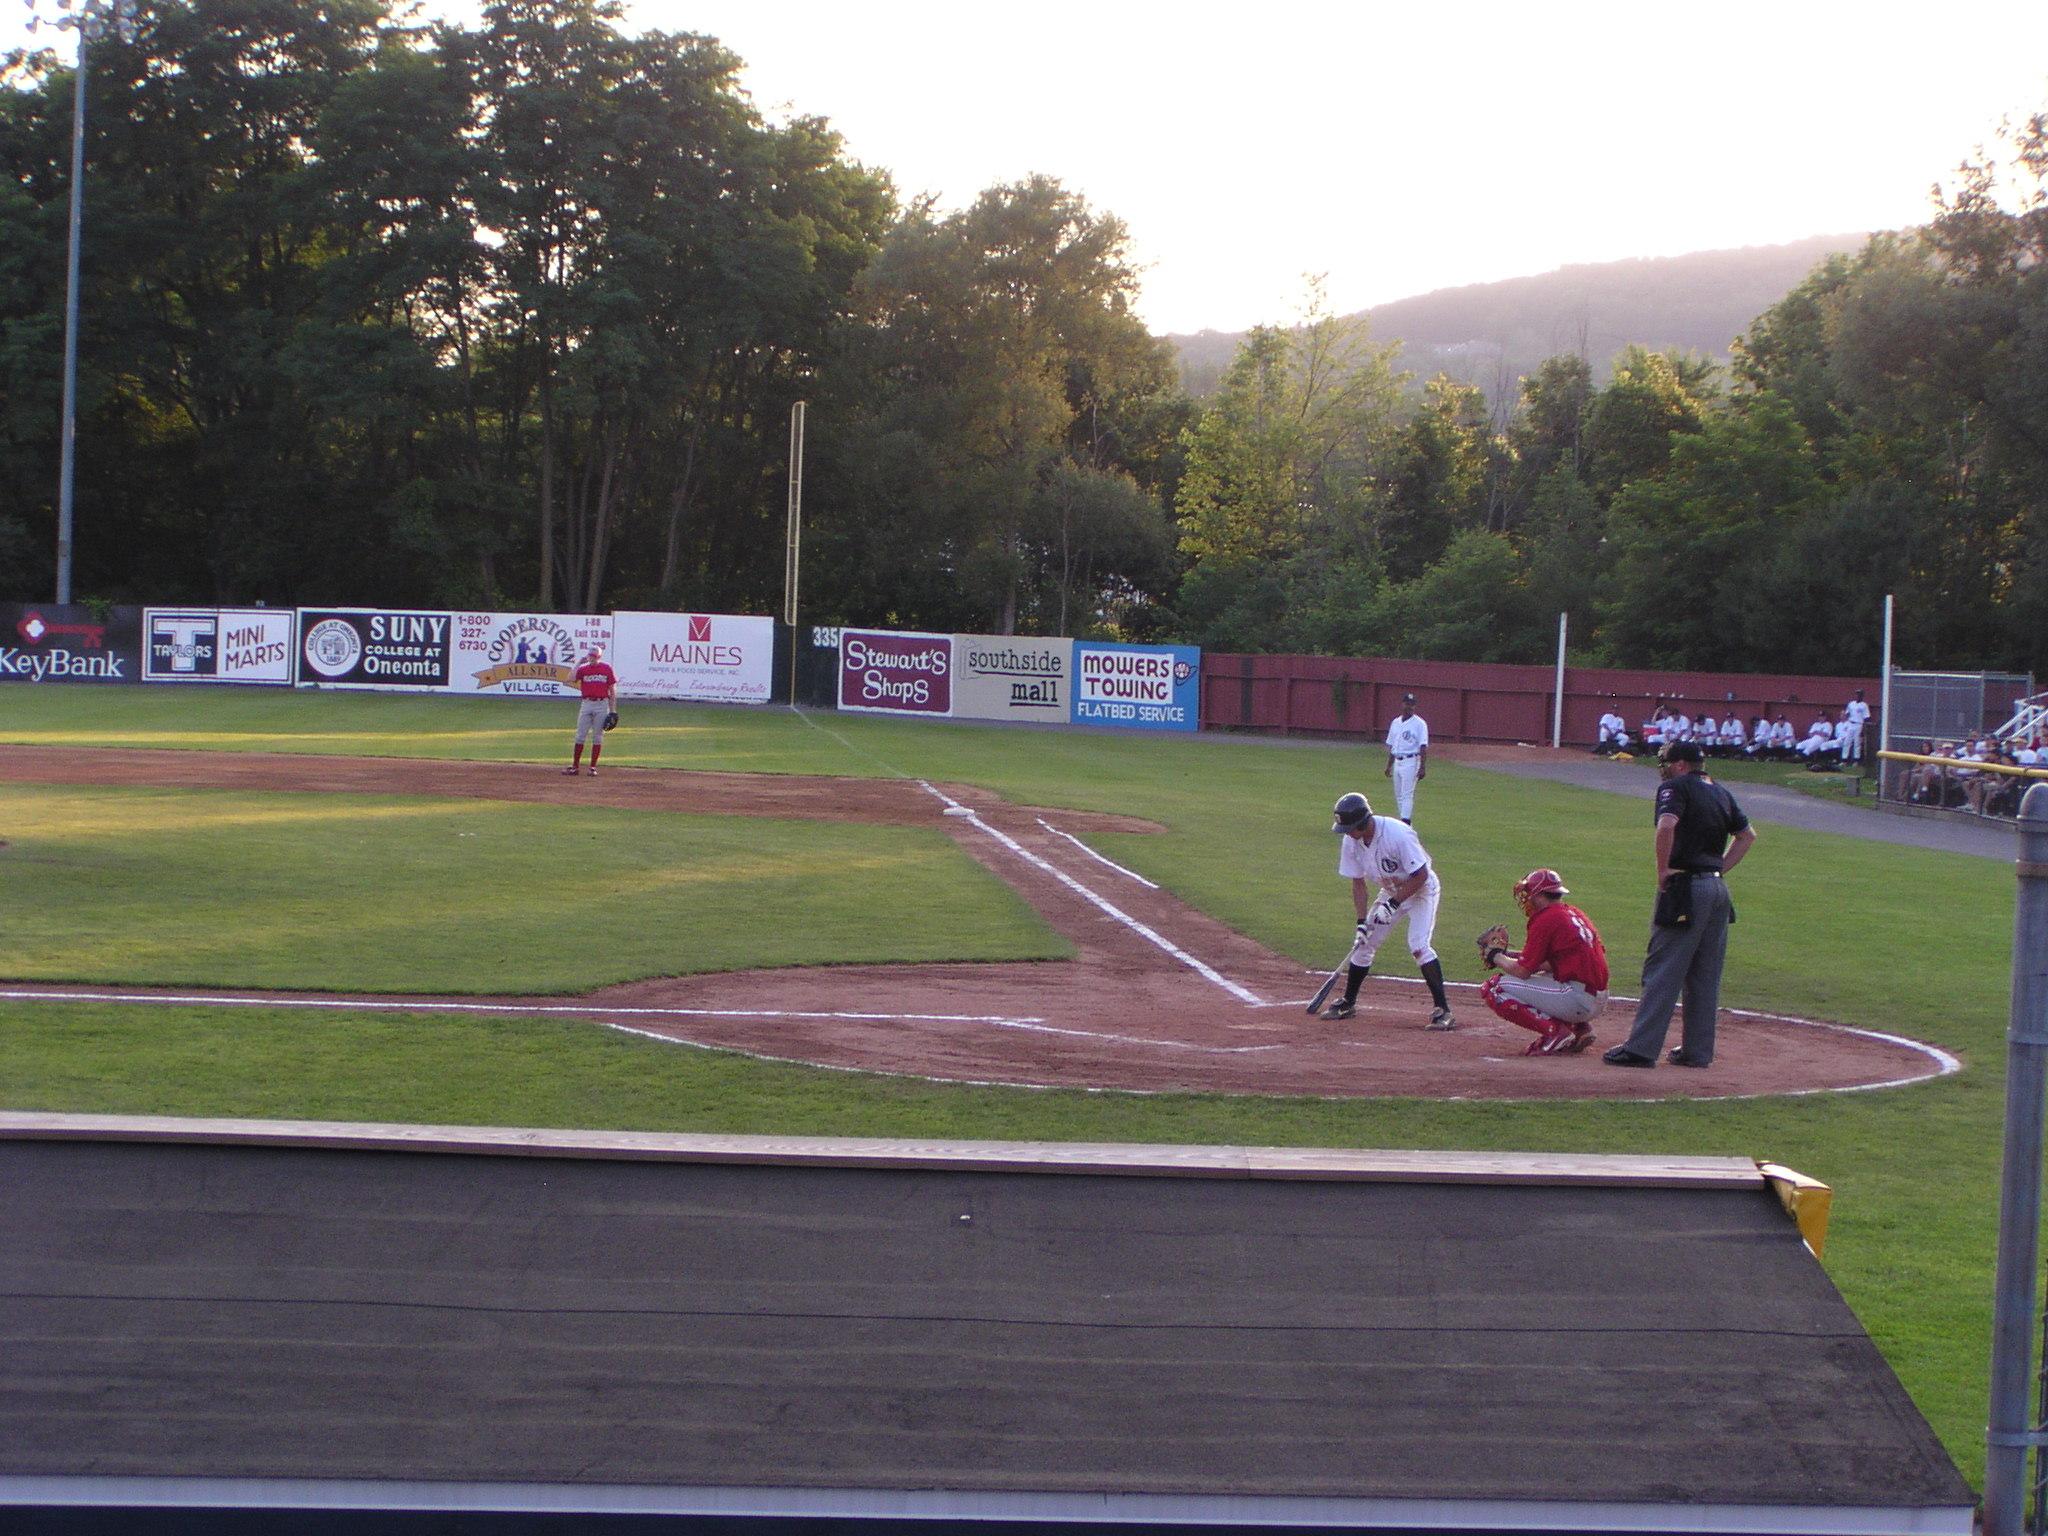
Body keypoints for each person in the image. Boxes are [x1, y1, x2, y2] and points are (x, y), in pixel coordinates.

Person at [1604, 741, 1757, 1070]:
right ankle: (1697, 1052)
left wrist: (1663, 870)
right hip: (1717, 890)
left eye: (1666, 764)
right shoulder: (1720, 791)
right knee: (1705, 974)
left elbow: (1667, 826)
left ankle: (1641, 1049)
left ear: (1681, 764)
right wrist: (1718, 869)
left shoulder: (1675, 788)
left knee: (1663, 969)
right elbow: (1747, 836)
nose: (1663, 770)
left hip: (1686, 889)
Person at [1323, 791, 1455, 1030]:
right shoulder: (1351, 841)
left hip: (1422, 891)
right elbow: (1358, 883)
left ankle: (1443, 1010)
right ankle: (1348, 1002)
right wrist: (1361, 922)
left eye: (1350, 828)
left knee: (1418, 945)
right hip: (1391, 891)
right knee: (1364, 943)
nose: (1347, 834)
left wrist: (1392, 904)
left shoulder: (1398, 835)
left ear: (1362, 823)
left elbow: (1421, 876)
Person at [1479, 868, 1609, 1057]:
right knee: (1547, 973)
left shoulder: (1545, 919)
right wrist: (1507, 955)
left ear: (1539, 895)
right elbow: (1549, 962)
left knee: (1494, 988)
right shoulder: (1573, 913)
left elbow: (1523, 971)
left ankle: (1556, 1033)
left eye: (1529, 893)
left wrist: (1495, 956)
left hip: (1577, 999)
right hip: (1596, 998)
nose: (1526, 898)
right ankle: (1581, 1029)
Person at [564, 644, 616, 776]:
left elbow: (612, 690)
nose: (592, 658)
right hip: (586, 704)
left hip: (601, 704)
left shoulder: (606, 669)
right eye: (590, 656)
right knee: (580, 735)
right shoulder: (583, 669)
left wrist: (613, 710)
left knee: (598, 736)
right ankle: (575, 766)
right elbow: (569, 679)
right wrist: (578, 663)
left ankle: (592, 767)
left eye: (595, 656)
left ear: (599, 657)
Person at [1383, 695, 1429, 824]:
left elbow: (1423, 746)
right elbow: (1393, 746)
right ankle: (1405, 825)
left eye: (1412, 704)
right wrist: (1389, 765)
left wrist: (1422, 767)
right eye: (1407, 704)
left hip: (1411, 761)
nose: (1410, 707)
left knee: (1407, 794)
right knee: (1399, 795)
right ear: (1402, 704)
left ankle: (1405, 823)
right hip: (1397, 761)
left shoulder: (1419, 724)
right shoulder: (1395, 722)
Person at [1840, 690, 1871, 767]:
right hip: (1850, 723)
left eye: (1859, 694)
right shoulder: (1851, 704)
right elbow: (1847, 713)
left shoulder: (1864, 705)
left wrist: (1864, 728)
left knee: (1857, 743)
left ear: (1862, 696)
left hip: (1859, 724)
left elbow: (1866, 717)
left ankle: (1856, 760)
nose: (1858, 696)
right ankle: (1844, 760)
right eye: (1857, 694)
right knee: (1847, 741)